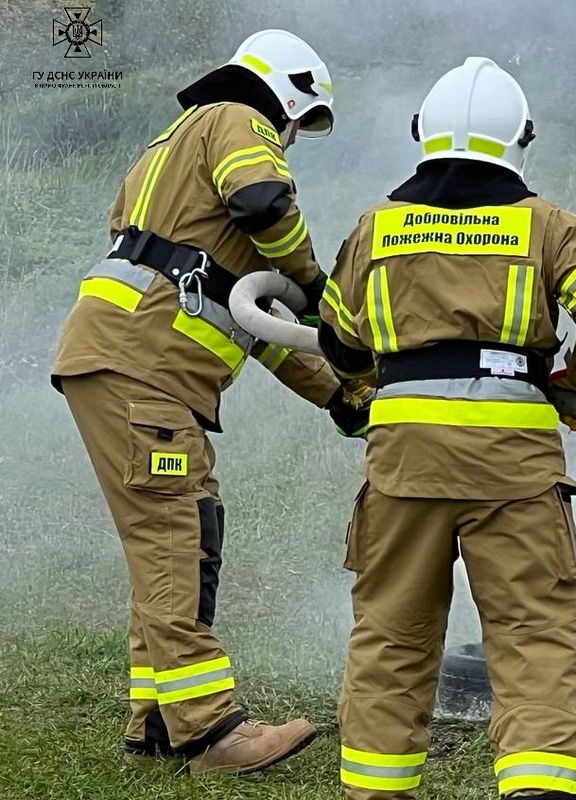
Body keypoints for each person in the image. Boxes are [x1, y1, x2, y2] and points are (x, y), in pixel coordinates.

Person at [318, 56, 576, 800]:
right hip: (514, 469)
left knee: (390, 640)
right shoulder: (551, 225)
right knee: (532, 638)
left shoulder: (376, 227)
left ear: (420, 134)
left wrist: (376, 384)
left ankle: (376, 791)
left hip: (403, 466)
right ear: (521, 140)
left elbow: (337, 341)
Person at [51, 29, 367, 774]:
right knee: (173, 542)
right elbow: (262, 199)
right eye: (295, 125)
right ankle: (212, 732)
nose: (289, 143)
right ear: (284, 96)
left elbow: (261, 327)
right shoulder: (235, 119)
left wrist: (343, 398)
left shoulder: (170, 158)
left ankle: (156, 720)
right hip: (144, 370)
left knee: (187, 532)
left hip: (133, 367)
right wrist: (322, 285)